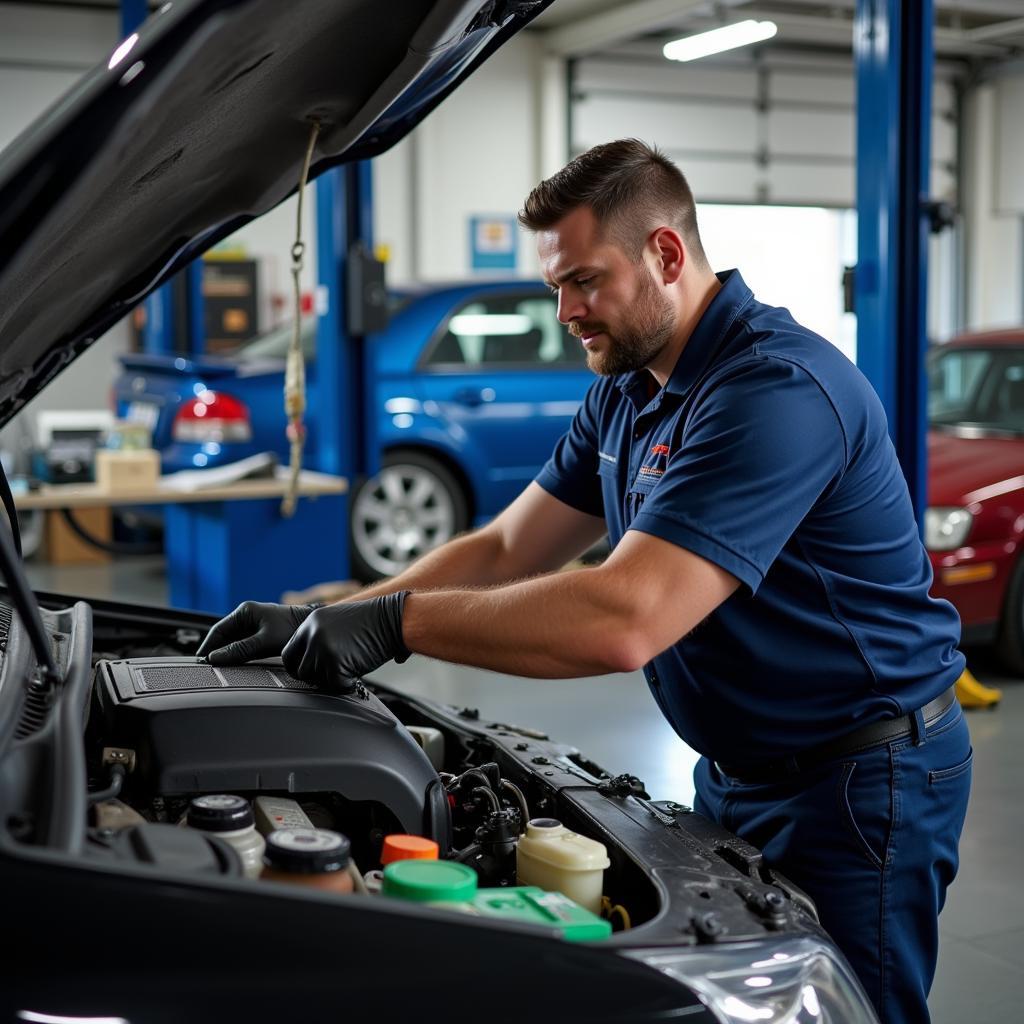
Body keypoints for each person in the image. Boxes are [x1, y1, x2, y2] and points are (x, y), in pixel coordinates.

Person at [198, 139, 971, 1023]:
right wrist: (336, 616)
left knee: (846, 1010)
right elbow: (505, 547)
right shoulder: (629, 385)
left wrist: (398, 626)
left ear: (666, 255)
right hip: (741, 767)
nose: (565, 310)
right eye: (554, 286)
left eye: (584, 281)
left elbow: (626, 616)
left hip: (862, 780)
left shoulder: (774, 390)